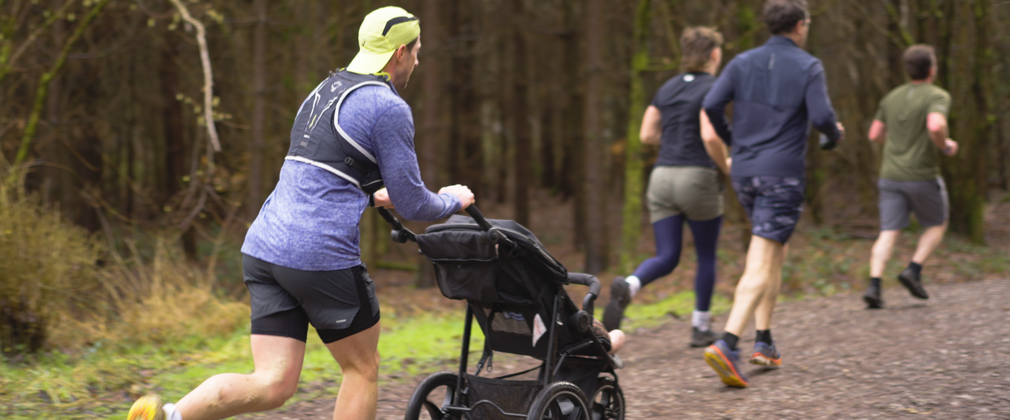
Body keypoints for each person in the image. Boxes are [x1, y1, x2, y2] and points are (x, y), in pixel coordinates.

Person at [128, 7, 475, 420]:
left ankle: (167, 415)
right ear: (400, 53)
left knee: (272, 382)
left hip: (264, 248)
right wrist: (453, 199)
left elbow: (322, 174)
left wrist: (369, 197)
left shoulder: (324, 90)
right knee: (362, 368)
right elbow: (417, 204)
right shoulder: (387, 106)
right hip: (318, 256)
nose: (418, 60)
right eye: (417, 52)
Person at [700, 0, 844, 388]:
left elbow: (712, 104)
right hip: (781, 174)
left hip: (745, 172)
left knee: (773, 249)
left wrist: (735, 142)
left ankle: (764, 340)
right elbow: (822, 117)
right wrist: (835, 134)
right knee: (763, 256)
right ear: (799, 26)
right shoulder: (809, 65)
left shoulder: (741, 61)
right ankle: (728, 342)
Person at [602, 27, 730, 348]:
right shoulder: (716, 87)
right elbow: (711, 136)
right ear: (714, 54)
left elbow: (647, 135)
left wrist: (671, 142)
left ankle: (630, 285)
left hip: (660, 178)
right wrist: (727, 166)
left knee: (668, 255)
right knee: (705, 255)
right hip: (697, 177)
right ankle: (700, 326)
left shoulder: (667, 87)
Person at [862, 44, 956, 309]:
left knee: (888, 231)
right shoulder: (937, 95)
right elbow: (936, 125)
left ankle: (875, 285)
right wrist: (945, 145)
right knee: (938, 223)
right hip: (922, 175)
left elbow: (874, 135)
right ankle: (913, 270)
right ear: (932, 69)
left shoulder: (891, 96)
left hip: (890, 175)